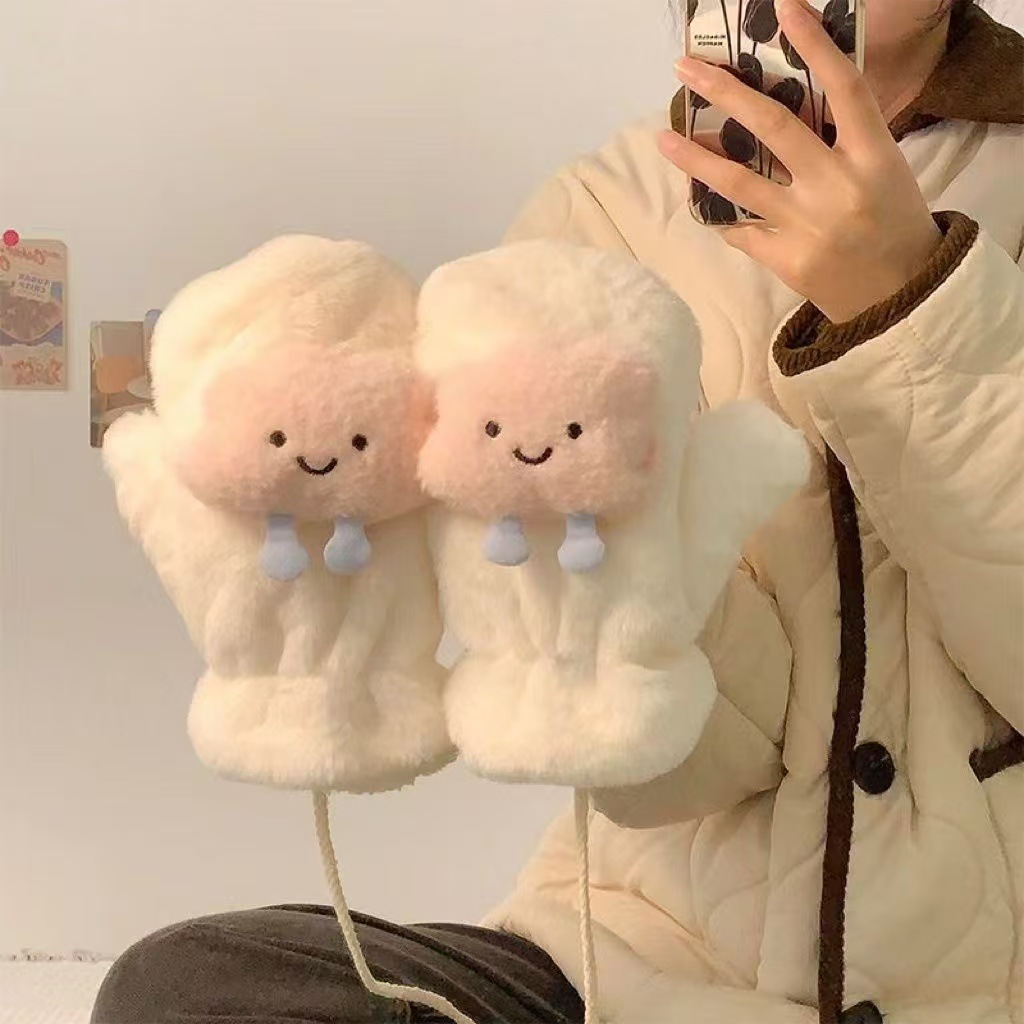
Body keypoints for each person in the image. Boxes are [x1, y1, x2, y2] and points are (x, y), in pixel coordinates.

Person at [92, 1, 1023, 1022]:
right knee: (184, 987)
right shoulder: (603, 213)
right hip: (637, 970)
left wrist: (912, 305)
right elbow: (665, 770)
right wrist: (620, 577)